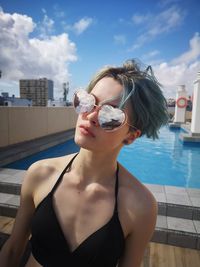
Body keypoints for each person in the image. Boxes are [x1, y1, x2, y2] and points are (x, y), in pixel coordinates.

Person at [0, 59, 169, 267]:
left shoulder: (140, 205)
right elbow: (13, 249)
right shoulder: (40, 173)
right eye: (88, 101)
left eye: (111, 114)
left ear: (131, 136)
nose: (91, 116)